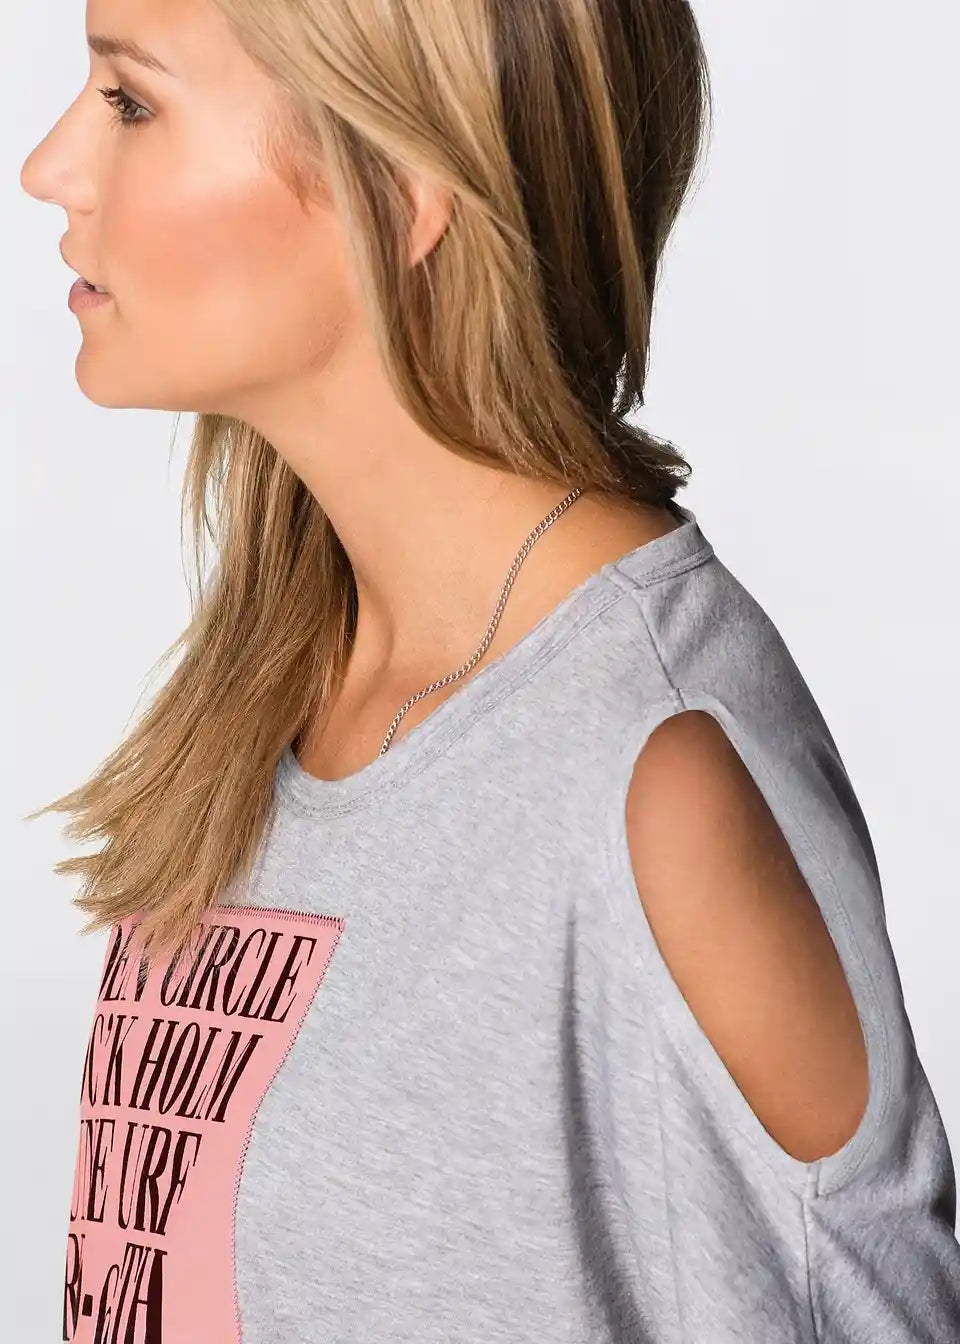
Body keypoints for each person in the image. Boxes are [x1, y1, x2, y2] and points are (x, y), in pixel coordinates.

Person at [20, 0, 960, 1340]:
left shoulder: (657, 778)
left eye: (131, 101)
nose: (47, 167)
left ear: (402, 189)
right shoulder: (286, 678)